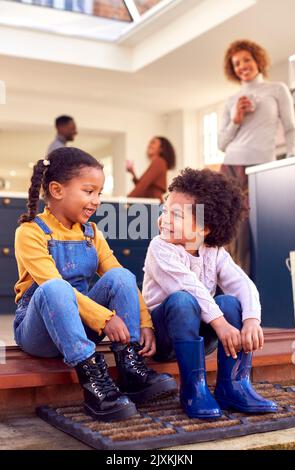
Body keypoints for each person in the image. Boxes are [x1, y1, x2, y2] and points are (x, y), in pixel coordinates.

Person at [14, 147, 177, 422]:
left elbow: (118, 275)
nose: (96, 201)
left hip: (82, 325)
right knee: (56, 287)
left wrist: (145, 321)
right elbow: (52, 285)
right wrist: (105, 319)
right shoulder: (30, 232)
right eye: (89, 191)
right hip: (40, 332)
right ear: (56, 190)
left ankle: (130, 368)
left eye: (99, 193)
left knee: (121, 276)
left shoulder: (91, 233)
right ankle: (94, 383)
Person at [142, 167, 278, 419]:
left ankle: (234, 385)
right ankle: (194, 389)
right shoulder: (160, 248)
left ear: (205, 229)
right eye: (164, 212)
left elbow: (242, 283)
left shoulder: (213, 251)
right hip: (164, 339)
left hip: (200, 337)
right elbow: (188, 286)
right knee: (183, 300)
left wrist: (251, 321)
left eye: (177, 215)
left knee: (230, 302)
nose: (165, 220)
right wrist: (221, 324)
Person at [218, 39, 295, 274]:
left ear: (257, 60)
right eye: (236, 63)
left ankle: (252, 285)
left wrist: (291, 163)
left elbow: (292, 129)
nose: (242, 66)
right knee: (230, 228)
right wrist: (236, 119)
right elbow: (222, 144)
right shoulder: (231, 101)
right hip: (231, 166)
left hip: (262, 168)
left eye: (246, 60)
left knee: (259, 228)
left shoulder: (277, 89)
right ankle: (231, 285)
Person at [126, 136, 176, 202]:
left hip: (153, 206)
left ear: (161, 149)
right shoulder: (158, 162)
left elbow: (142, 185)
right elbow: (144, 187)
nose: (149, 145)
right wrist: (133, 173)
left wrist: (126, 200)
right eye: (149, 143)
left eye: (153, 143)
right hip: (152, 204)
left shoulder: (159, 162)